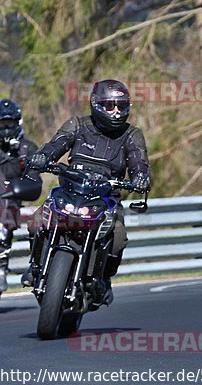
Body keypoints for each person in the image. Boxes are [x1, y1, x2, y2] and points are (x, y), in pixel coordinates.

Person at [22, 80, 151, 304]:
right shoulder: (77, 125)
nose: (116, 111)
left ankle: (103, 279)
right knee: (36, 221)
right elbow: (57, 144)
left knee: (118, 236)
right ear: (95, 103)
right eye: (110, 105)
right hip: (71, 190)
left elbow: (139, 162)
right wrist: (43, 157)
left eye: (121, 106)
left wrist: (141, 178)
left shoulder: (132, 134)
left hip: (106, 198)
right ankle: (34, 267)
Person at [0, 99, 41, 292]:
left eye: (10, 123)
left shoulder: (27, 148)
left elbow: (34, 180)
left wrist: (18, 188)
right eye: (2, 123)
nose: (6, 127)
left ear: (18, 122)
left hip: (12, 205)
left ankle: (3, 266)